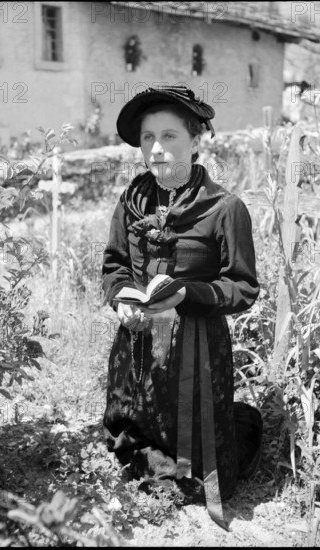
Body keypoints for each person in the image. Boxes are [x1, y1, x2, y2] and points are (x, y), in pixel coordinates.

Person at [101, 85, 262, 529]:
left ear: (195, 140)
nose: (156, 149)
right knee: (133, 432)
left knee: (202, 466)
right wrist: (121, 300)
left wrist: (189, 295)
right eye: (147, 137)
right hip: (136, 342)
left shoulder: (225, 208)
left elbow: (243, 287)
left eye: (169, 136)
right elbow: (114, 266)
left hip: (197, 350)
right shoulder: (130, 202)